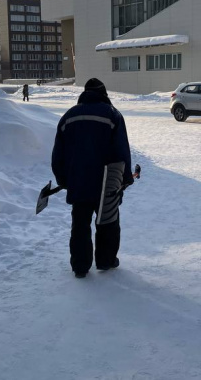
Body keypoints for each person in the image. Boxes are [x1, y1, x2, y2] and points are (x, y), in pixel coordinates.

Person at [51, 78, 133, 278]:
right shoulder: (113, 115)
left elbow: (57, 154)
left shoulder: (68, 116)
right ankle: (105, 261)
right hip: (106, 182)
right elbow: (121, 150)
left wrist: (63, 179)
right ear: (104, 94)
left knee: (80, 224)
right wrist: (125, 178)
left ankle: (80, 266)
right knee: (108, 222)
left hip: (78, 181)